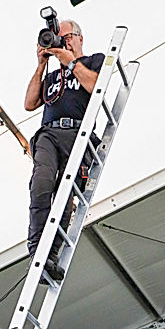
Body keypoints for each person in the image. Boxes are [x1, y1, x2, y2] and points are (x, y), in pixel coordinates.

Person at [24, 17, 104, 281]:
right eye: (58, 37)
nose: (63, 41)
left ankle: (52, 254)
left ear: (79, 37)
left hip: (78, 133)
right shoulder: (52, 75)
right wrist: (41, 65)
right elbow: (29, 103)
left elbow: (95, 86)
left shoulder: (93, 61)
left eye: (67, 36)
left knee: (65, 196)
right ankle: (36, 250)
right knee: (41, 184)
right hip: (49, 132)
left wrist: (69, 59)